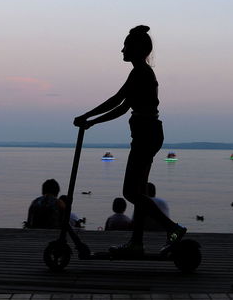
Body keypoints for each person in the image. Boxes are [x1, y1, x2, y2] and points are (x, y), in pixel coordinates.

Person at [74, 25, 186, 255]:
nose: (121, 50)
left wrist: (88, 117)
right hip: (148, 134)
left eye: (125, 45)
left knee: (131, 193)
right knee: (140, 193)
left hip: (146, 136)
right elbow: (123, 106)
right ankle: (137, 243)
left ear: (136, 49)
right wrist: (91, 120)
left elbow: (117, 102)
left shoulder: (141, 73)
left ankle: (172, 228)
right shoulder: (140, 72)